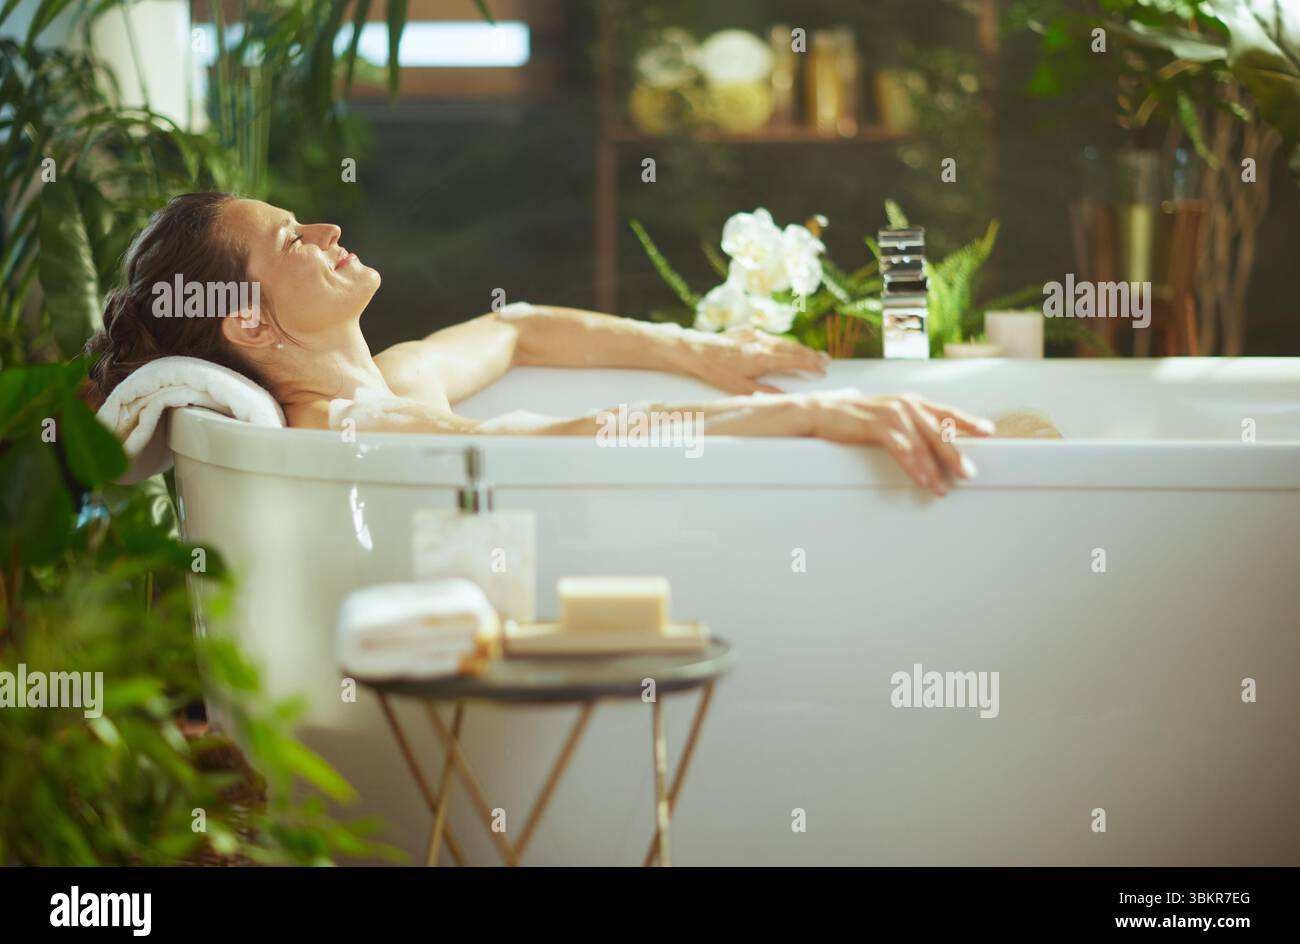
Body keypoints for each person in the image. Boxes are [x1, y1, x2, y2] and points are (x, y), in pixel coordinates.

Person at [86, 192, 993, 495]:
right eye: (291, 239)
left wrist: (696, 351)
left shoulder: (394, 382)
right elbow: (571, 441)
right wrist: (813, 414)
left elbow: (517, 329)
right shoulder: (346, 429)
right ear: (248, 322)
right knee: (1003, 443)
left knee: (1010, 426)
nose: (325, 228)